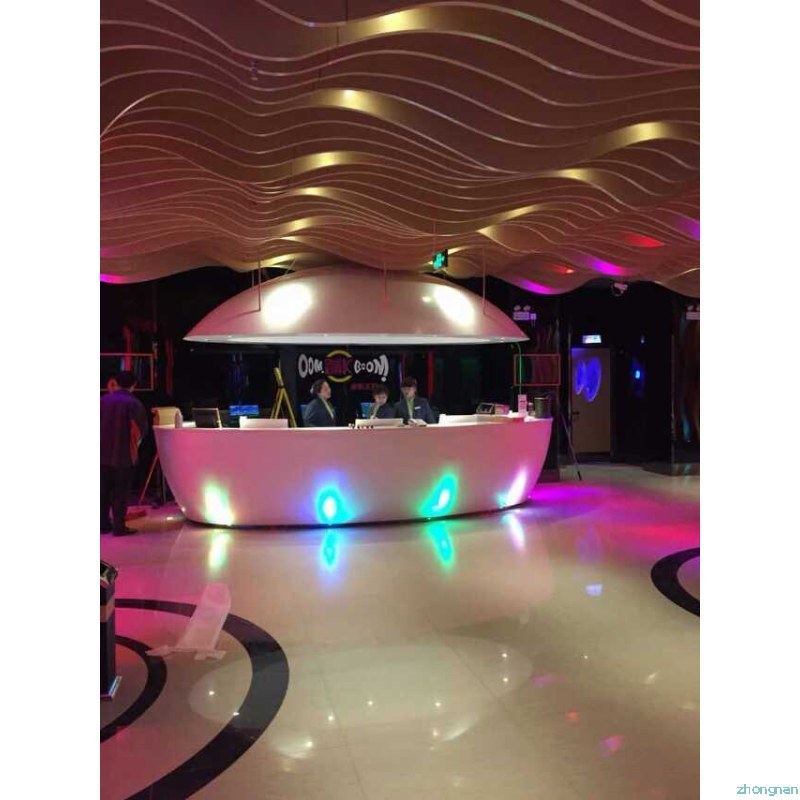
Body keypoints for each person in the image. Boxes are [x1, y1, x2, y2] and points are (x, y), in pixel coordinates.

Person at [101, 370, 149, 535]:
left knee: (103, 491)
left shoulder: (102, 401)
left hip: (101, 454)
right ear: (133, 385)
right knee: (120, 492)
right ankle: (119, 526)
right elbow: (140, 430)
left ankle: (103, 524)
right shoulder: (133, 403)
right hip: (124, 455)